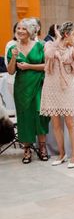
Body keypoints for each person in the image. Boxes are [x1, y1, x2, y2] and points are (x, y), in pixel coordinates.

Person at [6, 18, 49, 164]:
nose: (20, 31)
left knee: (39, 115)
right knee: (24, 117)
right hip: (21, 87)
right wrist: (13, 57)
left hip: (38, 85)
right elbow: (11, 71)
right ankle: (27, 149)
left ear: (30, 31)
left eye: (23, 29)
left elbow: (47, 66)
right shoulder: (13, 47)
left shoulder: (40, 46)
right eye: (18, 28)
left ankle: (43, 147)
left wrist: (29, 66)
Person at [40, 22, 74, 168]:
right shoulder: (50, 44)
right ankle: (62, 154)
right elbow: (49, 55)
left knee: (70, 122)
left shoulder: (72, 48)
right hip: (51, 86)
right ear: (66, 34)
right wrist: (58, 39)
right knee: (56, 123)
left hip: (67, 88)